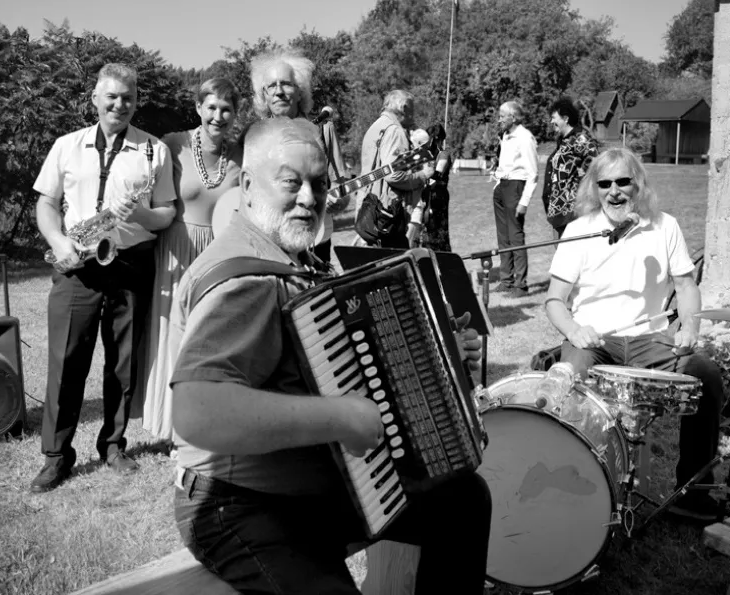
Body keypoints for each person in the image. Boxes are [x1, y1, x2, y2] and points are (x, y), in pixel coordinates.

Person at [170, 117, 492, 594]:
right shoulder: (244, 282)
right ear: (246, 185)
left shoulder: (286, 256)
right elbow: (198, 412)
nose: (308, 197)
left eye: (319, 183)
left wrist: (444, 351)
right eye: (290, 182)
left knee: (462, 500)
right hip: (236, 504)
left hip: (317, 489)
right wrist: (339, 418)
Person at [544, 147, 724, 521]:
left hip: (651, 341)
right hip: (594, 341)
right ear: (594, 188)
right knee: (564, 383)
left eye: (623, 181)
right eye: (604, 183)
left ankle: (693, 493)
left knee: (706, 374)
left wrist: (690, 326)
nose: (614, 191)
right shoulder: (578, 231)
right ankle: (564, 486)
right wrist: (574, 330)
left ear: (637, 184)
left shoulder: (664, 226)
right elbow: (554, 301)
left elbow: (687, 286)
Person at [31, 63, 177, 493]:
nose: (119, 104)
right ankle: (56, 456)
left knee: (123, 363)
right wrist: (58, 241)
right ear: (94, 98)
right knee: (66, 361)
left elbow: (167, 213)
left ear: (137, 101)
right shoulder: (66, 146)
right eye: (111, 96)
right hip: (77, 264)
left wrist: (144, 213)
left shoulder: (154, 151)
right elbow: (46, 204)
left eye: (128, 97)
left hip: (130, 263)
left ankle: (112, 445)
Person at [131, 78, 243, 443]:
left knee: (208, 339)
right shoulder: (173, 144)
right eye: (211, 107)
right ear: (198, 107)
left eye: (226, 109)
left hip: (217, 253)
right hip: (176, 250)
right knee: (173, 336)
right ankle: (170, 425)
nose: (218, 116)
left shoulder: (240, 156)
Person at [249, 47, 350, 265]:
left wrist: (337, 200)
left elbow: (343, 191)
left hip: (314, 238)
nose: (279, 92)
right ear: (263, 96)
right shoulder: (254, 138)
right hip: (269, 241)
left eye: (286, 83)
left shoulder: (323, 130)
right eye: (271, 86)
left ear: (300, 91)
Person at [356, 89, 434, 249]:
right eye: (412, 109)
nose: (414, 114)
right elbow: (394, 175)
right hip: (388, 217)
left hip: (369, 212)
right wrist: (422, 176)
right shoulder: (395, 131)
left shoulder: (376, 127)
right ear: (404, 108)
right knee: (397, 267)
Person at [492, 101, 538, 297]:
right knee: (503, 237)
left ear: (513, 117)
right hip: (502, 187)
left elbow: (533, 173)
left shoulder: (525, 138)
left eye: (502, 115)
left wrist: (524, 201)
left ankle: (521, 284)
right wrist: (497, 185)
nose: (499, 119)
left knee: (516, 237)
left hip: (516, 188)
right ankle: (506, 280)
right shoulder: (505, 136)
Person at [542, 96, 599, 239]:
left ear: (565, 118)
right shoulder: (564, 141)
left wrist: (579, 187)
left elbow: (597, 164)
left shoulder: (579, 139)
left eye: (554, 118)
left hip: (571, 209)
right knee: (561, 252)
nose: (552, 121)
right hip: (557, 209)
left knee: (569, 254)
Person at [421, 123, 453, 252]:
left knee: (439, 231)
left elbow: (438, 173)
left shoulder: (443, 154)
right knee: (426, 230)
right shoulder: (425, 155)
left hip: (438, 197)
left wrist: (424, 171)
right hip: (425, 196)